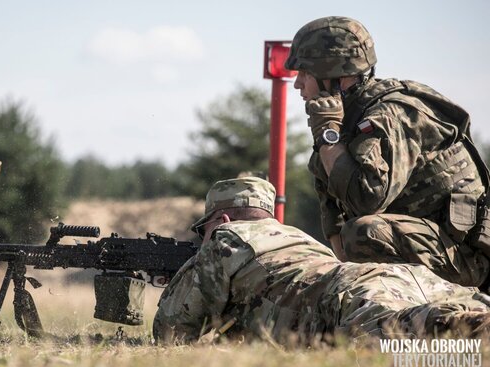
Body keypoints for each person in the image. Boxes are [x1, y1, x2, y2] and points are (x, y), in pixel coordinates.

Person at [283, 16, 490, 291]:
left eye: (305, 73)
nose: (298, 84)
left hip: (467, 259)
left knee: (364, 234)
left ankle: (425, 316)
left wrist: (328, 137)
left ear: (335, 76)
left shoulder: (390, 114)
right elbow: (331, 200)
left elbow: (367, 200)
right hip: (428, 244)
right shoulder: (344, 115)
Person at [153, 177, 490, 344]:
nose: (202, 237)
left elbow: (171, 331)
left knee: (421, 345)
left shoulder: (227, 238)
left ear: (222, 220)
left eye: (204, 228)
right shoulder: (297, 237)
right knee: (469, 308)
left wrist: (187, 274)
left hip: (349, 297)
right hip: (399, 276)